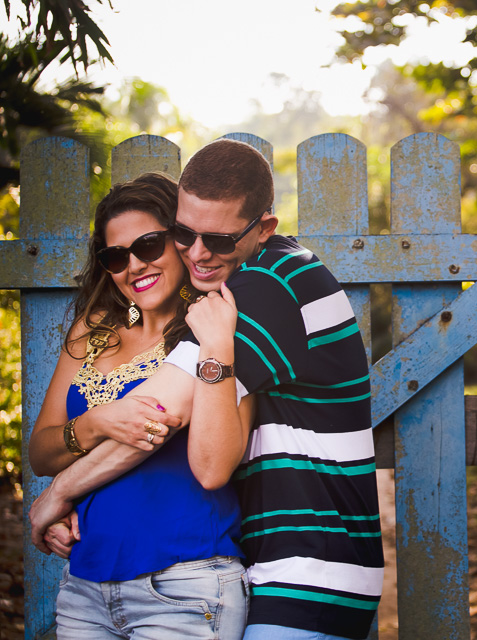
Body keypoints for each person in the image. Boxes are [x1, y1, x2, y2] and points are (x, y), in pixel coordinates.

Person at [30, 140, 384, 640]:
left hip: (309, 567)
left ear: (263, 229)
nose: (197, 253)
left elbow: (165, 420)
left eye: (216, 239)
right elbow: (55, 444)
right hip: (267, 563)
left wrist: (58, 494)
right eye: (184, 234)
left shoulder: (262, 290)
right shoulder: (251, 287)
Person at [27, 172, 253, 639]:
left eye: (148, 245)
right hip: (84, 587)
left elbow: (219, 459)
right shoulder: (93, 331)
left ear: (181, 242)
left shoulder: (219, 327)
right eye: (115, 256)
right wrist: (97, 422)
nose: (133, 265)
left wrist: (60, 494)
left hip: (186, 586)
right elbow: (41, 453)